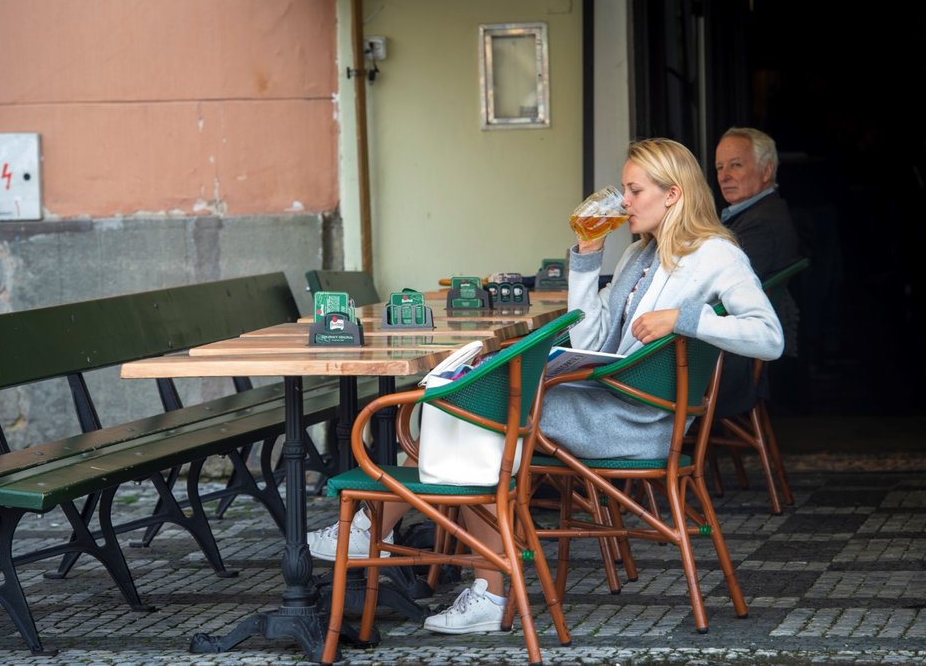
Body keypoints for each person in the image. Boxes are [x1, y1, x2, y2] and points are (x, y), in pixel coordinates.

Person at [308, 137, 785, 635]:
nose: (623, 201)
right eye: (624, 189)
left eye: (633, 190)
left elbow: (768, 337)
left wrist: (684, 318)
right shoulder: (638, 256)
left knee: (474, 411)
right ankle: (404, 547)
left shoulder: (715, 256)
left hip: (639, 419)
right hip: (600, 399)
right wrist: (586, 258)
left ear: (673, 195)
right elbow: (591, 338)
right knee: (461, 406)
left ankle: (411, 550)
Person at [713, 127, 800, 417]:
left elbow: (714, 293)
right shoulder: (756, 215)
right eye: (719, 167)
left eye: (736, 165)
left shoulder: (759, 225)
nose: (724, 176)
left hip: (730, 365)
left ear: (766, 171)